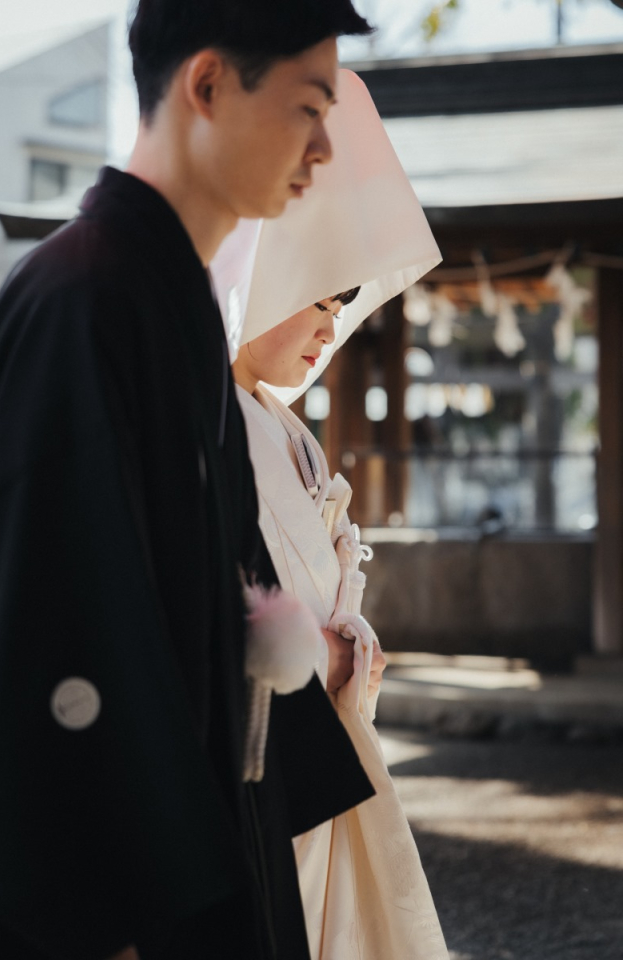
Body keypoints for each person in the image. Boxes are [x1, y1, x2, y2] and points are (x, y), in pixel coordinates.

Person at [0, 4, 376, 960]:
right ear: (206, 85)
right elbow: (51, 649)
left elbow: (226, 621)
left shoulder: (178, 311)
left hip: (208, 840)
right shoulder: (77, 302)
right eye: (307, 107)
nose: (322, 148)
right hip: (125, 900)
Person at [222, 69, 449, 959]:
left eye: (342, 306)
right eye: (321, 298)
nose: (331, 327)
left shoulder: (286, 426)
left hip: (326, 734)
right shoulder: (205, 414)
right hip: (262, 750)